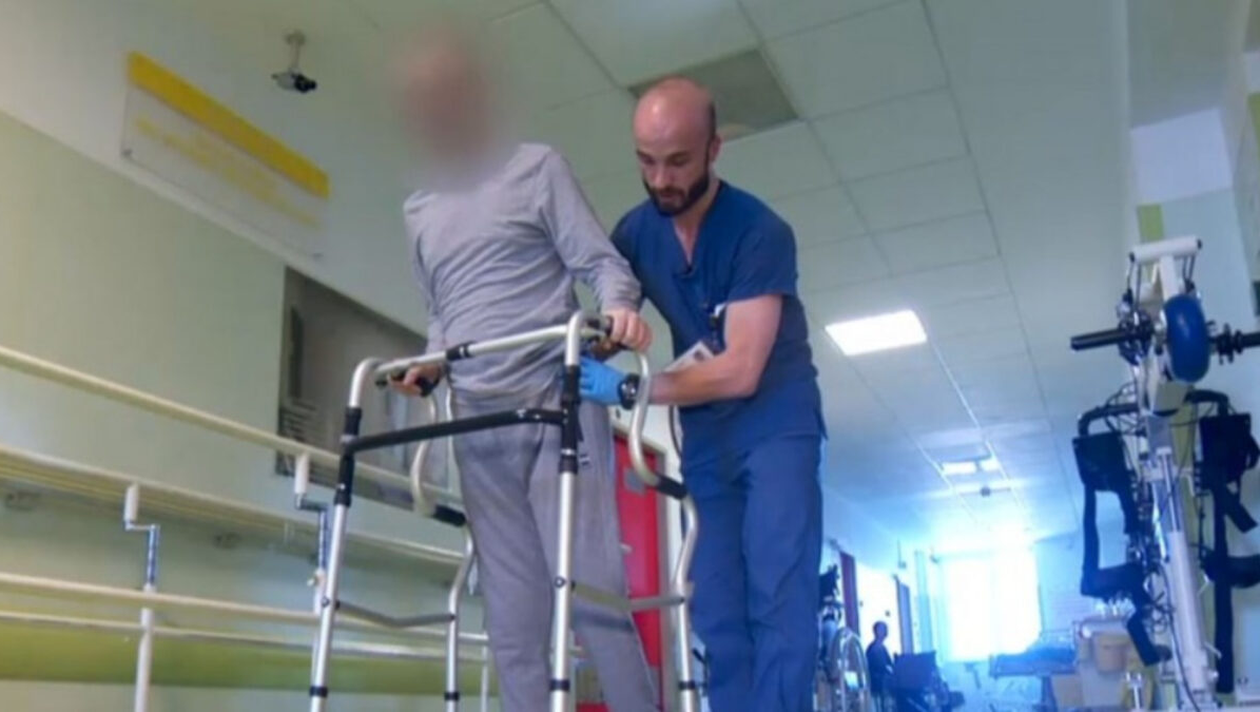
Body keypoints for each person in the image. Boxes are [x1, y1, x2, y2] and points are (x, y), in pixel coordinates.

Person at [391, 29, 658, 712]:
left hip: (553, 405)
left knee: (593, 599)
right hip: (479, 426)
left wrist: (619, 311)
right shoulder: (418, 210)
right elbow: (442, 315)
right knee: (512, 622)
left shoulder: (536, 169)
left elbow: (605, 266)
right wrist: (428, 365)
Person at [580, 77, 825, 712]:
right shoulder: (637, 233)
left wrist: (634, 388)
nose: (660, 179)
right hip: (708, 433)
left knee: (777, 590)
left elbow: (742, 370)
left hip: (776, 424)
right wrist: (587, 347)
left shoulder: (759, 232)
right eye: (646, 161)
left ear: (715, 150)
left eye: (678, 161)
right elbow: (612, 315)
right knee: (716, 603)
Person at [867, 621, 894, 712]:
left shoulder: (883, 648)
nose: (885, 631)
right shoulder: (874, 648)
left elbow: (889, 664)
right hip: (878, 682)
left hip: (883, 681)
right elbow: (880, 666)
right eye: (882, 629)